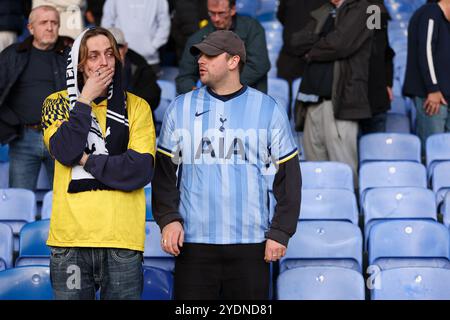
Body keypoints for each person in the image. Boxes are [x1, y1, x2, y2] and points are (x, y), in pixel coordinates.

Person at [152, 30, 301, 300]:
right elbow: (164, 176)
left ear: (233, 62)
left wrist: (280, 232)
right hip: (194, 244)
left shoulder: (268, 109)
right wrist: (168, 220)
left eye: (210, 55)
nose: (201, 60)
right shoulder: (180, 108)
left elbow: (289, 179)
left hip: (250, 245)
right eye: (199, 55)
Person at [41, 27, 156, 299]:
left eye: (109, 55)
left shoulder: (138, 107)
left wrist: (86, 159)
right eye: (93, 56)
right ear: (79, 65)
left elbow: (138, 171)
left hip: (122, 243)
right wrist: (84, 100)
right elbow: (65, 150)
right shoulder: (56, 103)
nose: (103, 63)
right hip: (70, 244)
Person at [291, 0, 374, 185]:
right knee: (315, 171)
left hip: (340, 102)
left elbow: (340, 45)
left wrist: (312, 50)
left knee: (342, 170)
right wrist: (323, 39)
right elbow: (295, 42)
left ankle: (346, 210)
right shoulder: (323, 10)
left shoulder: (365, 9)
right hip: (311, 101)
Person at [0, 5, 67, 190]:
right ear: (30, 28)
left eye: (54, 23)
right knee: (19, 197)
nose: (49, 27)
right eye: (43, 22)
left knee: (65, 199)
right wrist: (9, 121)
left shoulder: (69, 55)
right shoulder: (13, 54)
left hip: (61, 136)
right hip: (24, 137)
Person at [175, 0, 270, 94]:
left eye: (221, 13)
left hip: (250, 96)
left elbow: (259, 66)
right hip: (212, 102)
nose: (216, 19)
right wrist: (196, 94)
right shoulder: (198, 37)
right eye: (212, 13)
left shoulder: (252, 28)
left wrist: (224, 88)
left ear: (233, 9)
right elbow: (184, 77)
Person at [403, 0, 450, 150]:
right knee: (435, 151)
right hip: (432, 98)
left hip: (446, 96)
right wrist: (433, 88)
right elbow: (426, 51)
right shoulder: (431, 12)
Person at [101, 0, 171, 76]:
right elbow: (106, 24)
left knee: (152, 87)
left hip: (150, 60)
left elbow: (165, 25)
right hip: (121, 59)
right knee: (120, 87)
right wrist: (115, 49)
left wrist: (153, 47)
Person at [108, 27, 161, 116]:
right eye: (109, 49)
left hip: (137, 117)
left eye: (118, 46)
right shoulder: (97, 68)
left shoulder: (139, 65)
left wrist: (124, 101)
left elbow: (153, 97)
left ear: (125, 47)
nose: (115, 52)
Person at [360, 0, 395, 134]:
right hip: (358, 96)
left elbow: (379, 50)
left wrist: (388, 82)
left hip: (372, 94)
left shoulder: (374, 9)